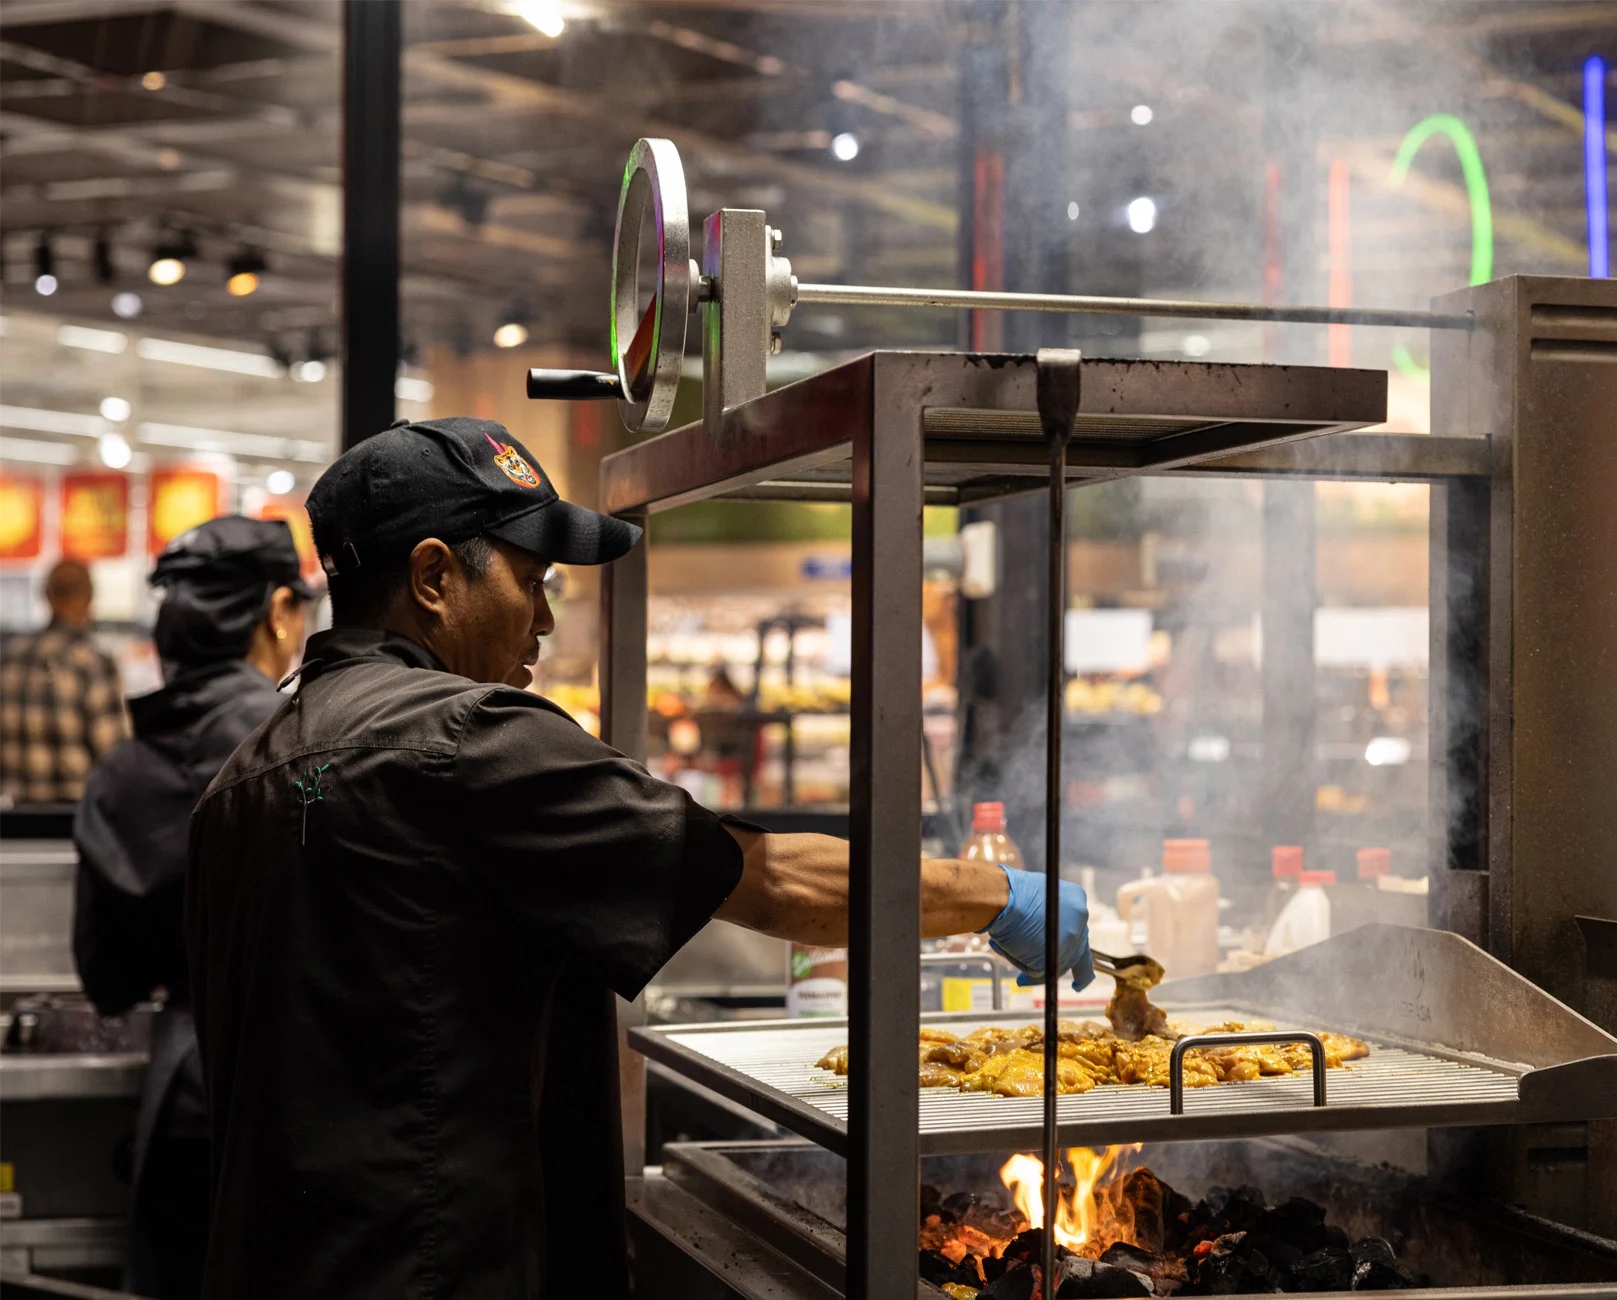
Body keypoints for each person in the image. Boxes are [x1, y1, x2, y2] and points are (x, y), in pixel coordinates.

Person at [185, 417, 1092, 1299]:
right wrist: (996, 894)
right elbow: (772, 881)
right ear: (432, 577)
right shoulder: (473, 739)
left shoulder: (244, 773)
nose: (542, 619)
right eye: (532, 581)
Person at [70, 516, 310, 1300]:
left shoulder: (120, 774)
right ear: (279, 613)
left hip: (185, 1096)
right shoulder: (307, 741)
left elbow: (107, 977)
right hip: (320, 1096)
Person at [0, 558, 127, 803]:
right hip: (76, 821)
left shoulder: (9, 659)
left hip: (16, 822)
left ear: (46, 596)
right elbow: (115, 759)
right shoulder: (93, 664)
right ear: (90, 597)